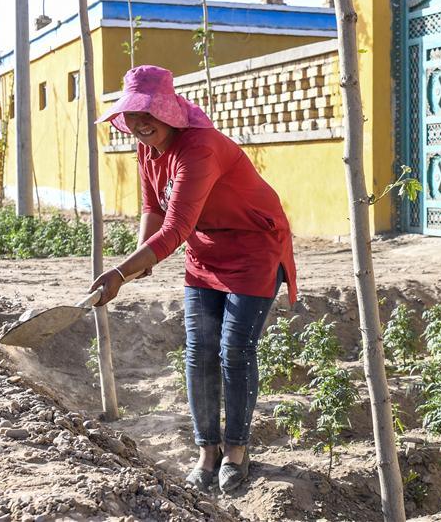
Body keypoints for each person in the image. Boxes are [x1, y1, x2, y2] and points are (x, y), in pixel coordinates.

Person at [90, 65, 297, 493]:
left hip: (254, 247)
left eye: (148, 113)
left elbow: (176, 228)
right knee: (199, 350)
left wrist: (120, 272)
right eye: (132, 115)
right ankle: (208, 451)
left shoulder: (199, 148)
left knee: (235, 349)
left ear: (169, 111)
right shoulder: (147, 148)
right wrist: (139, 256)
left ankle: (236, 451)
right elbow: (153, 207)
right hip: (205, 251)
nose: (140, 123)